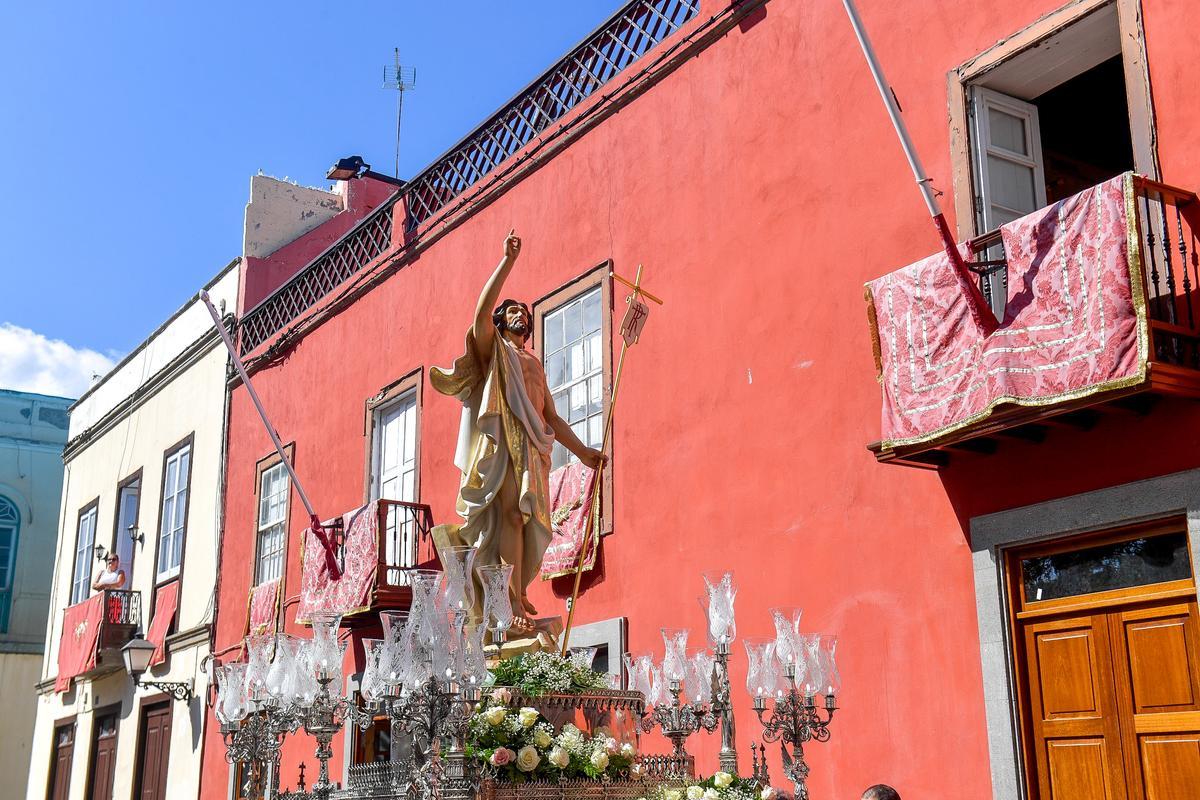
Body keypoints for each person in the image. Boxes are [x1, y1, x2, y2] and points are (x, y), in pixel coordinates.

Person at [431, 231, 606, 631]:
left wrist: (581, 453)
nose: (519, 314)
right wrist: (507, 262)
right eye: (511, 310)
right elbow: (480, 313)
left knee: (521, 522)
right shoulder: (496, 351)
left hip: (529, 451)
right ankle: (503, 604)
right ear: (501, 321)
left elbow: (551, 419)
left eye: (523, 312)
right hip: (502, 447)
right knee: (509, 515)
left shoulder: (534, 365)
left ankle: (510, 598)